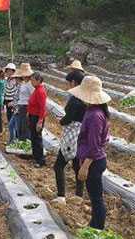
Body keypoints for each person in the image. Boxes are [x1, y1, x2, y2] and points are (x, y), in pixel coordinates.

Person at [71, 76, 111, 230]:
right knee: (94, 196)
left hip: (93, 162)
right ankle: (93, 225)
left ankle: (97, 229)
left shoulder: (94, 115)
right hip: (94, 160)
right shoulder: (95, 111)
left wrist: (85, 166)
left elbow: (94, 146)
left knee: (96, 198)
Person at [52, 70, 86, 204]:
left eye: (68, 83)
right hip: (81, 134)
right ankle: (79, 195)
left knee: (59, 165)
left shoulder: (75, 100)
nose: (67, 86)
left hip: (72, 135)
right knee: (77, 164)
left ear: (73, 82)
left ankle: (61, 196)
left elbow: (68, 118)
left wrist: (60, 120)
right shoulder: (85, 98)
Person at [27, 72, 47, 168]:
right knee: (34, 138)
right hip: (32, 116)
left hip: (37, 117)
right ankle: (36, 157)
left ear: (38, 81)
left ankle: (40, 160)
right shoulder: (36, 89)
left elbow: (42, 108)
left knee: (37, 139)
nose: (31, 82)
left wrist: (40, 121)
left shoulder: (40, 91)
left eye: (33, 80)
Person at [13, 63, 34, 140]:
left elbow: (32, 97)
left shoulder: (30, 84)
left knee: (25, 126)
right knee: (21, 126)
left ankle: (26, 142)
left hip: (26, 107)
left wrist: (29, 109)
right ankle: (21, 141)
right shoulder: (24, 83)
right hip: (21, 106)